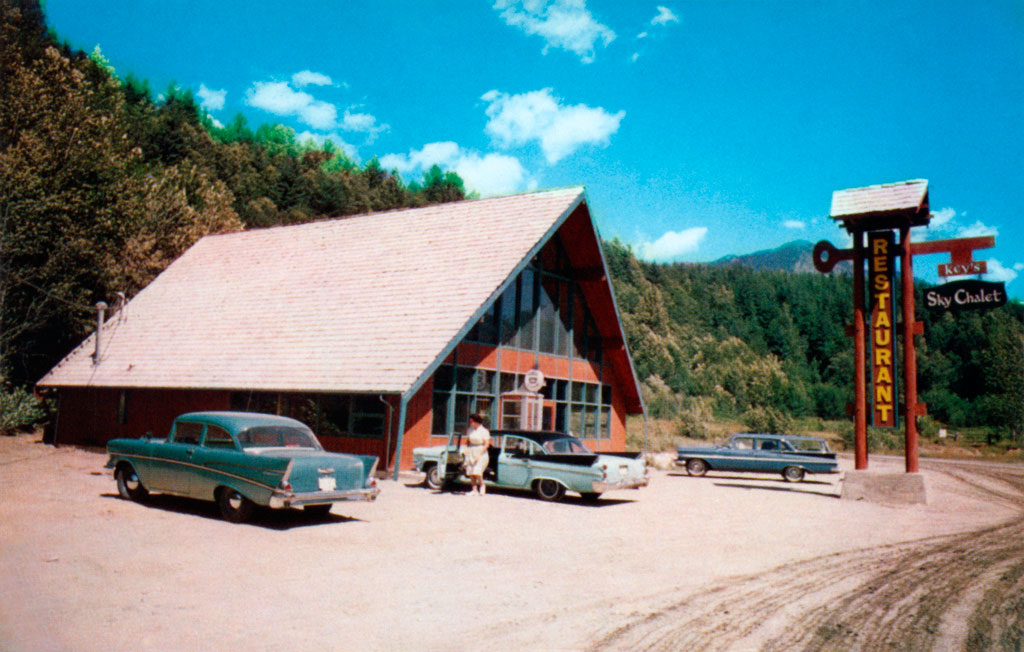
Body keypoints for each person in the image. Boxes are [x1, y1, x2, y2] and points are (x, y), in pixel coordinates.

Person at [463, 413, 491, 496]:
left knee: (477, 471)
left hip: (480, 451)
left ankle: (482, 486)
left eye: (472, 421)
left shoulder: (484, 431)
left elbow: (487, 444)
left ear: (476, 421)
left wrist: (479, 454)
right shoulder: (470, 430)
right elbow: (468, 441)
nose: (470, 423)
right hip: (471, 450)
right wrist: (465, 448)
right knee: (471, 471)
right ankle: (474, 489)